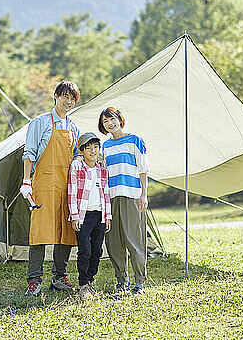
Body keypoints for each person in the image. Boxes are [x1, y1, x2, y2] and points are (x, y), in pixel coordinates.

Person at [20, 80, 81, 296]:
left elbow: (76, 157)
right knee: (40, 231)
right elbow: (29, 153)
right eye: (65, 96)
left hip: (67, 185)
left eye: (73, 99)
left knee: (66, 230)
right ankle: (34, 280)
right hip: (44, 183)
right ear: (56, 96)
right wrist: (26, 181)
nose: (68, 101)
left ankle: (59, 277)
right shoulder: (40, 122)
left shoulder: (74, 128)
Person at [99, 107, 149, 296]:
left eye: (112, 119)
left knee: (133, 239)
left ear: (120, 119)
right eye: (105, 122)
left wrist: (144, 195)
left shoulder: (136, 140)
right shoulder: (105, 146)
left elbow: (143, 170)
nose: (110, 124)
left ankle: (139, 283)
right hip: (111, 197)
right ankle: (122, 280)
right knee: (114, 241)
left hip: (131, 196)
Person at [67, 132, 112, 298]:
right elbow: (71, 193)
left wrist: (107, 216)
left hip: (99, 215)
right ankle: (83, 284)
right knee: (84, 250)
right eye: (88, 148)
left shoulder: (102, 170)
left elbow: (106, 193)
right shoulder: (77, 167)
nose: (93, 151)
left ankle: (90, 280)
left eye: (95, 147)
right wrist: (74, 216)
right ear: (82, 151)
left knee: (97, 251)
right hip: (83, 216)